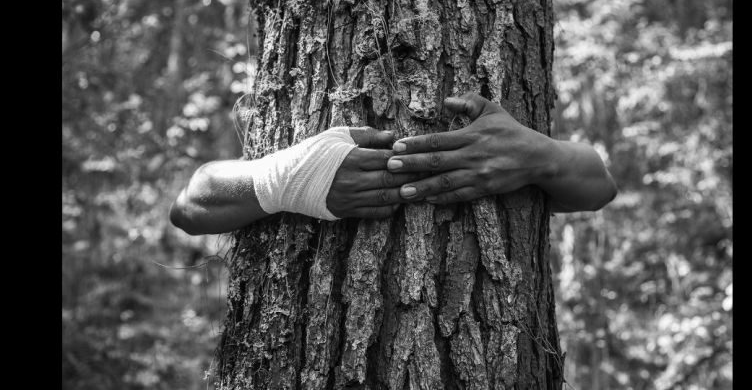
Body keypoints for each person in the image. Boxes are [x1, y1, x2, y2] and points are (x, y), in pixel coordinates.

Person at [170, 93, 617, 235]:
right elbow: (190, 205)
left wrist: (539, 155)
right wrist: (299, 175)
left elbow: (600, 186)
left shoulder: (515, 152)